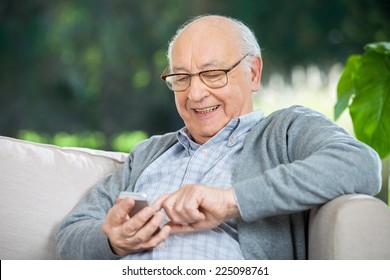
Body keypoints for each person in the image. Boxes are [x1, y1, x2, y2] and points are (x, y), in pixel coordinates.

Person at [55, 15, 381, 260]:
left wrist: (229, 201)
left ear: (253, 73)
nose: (195, 93)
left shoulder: (284, 129)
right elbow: (69, 234)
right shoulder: (148, 153)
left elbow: (360, 165)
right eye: (181, 77)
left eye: (213, 74)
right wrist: (113, 241)